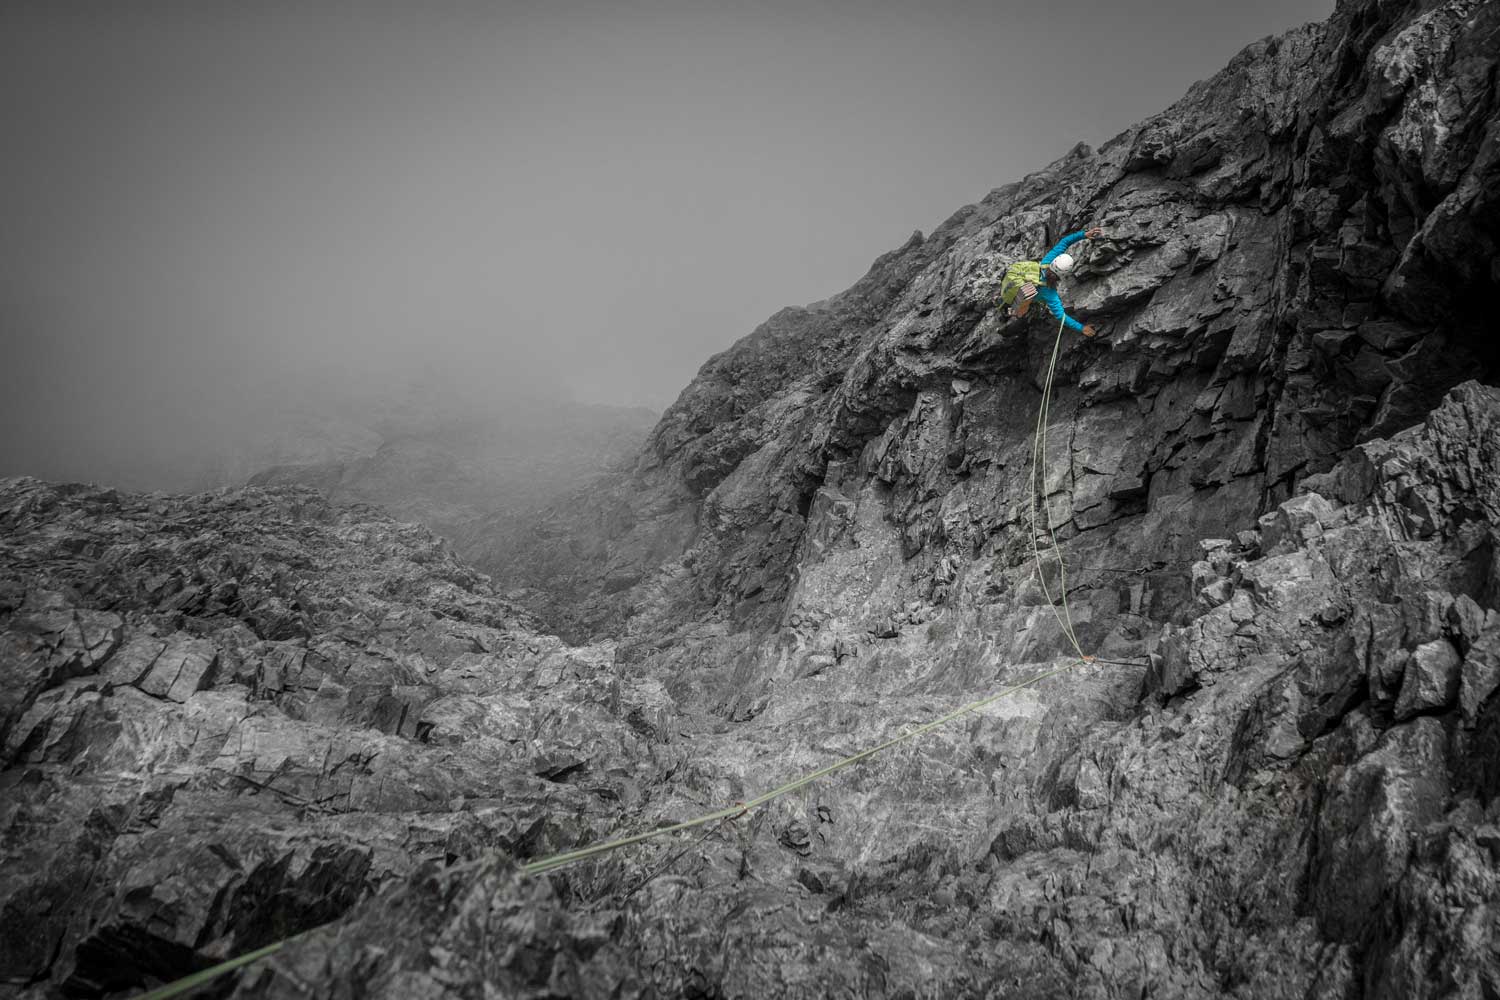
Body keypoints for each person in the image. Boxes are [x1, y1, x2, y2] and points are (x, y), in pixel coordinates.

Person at [998, 226, 1103, 337]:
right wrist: (1082, 328)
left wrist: (1084, 234)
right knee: (1024, 311)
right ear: (1064, 274)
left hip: (1011, 282)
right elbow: (1061, 317)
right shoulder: (1049, 292)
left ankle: (1002, 301)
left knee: (1020, 293)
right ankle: (1011, 314)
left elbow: (1064, 242)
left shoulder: (1046, 261)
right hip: (1022, 299)